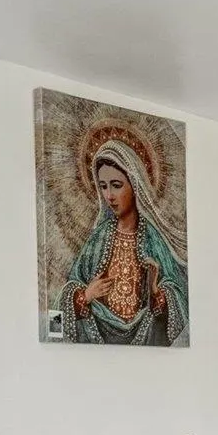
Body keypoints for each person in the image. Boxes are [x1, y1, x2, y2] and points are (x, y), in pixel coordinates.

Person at [60, 134, 189, 345]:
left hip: (148, 340)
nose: (109, 195)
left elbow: (178, 300)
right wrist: (86, 294)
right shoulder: (99, 238)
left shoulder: (153, 239)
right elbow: (69, 291)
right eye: (103, 186)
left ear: (135, 185)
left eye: (116, 185)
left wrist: (156, 291)